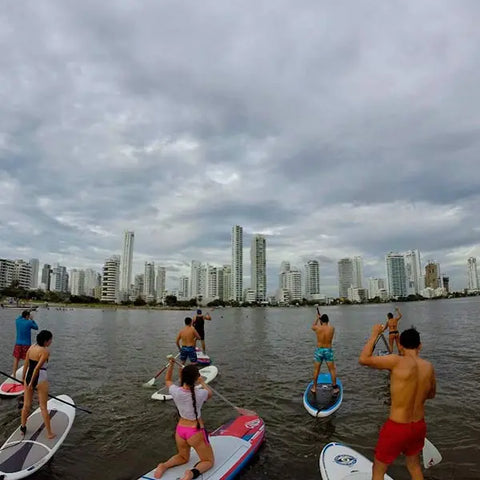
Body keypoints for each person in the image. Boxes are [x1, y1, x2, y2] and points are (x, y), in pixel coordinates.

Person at [359, 325, 436, 480]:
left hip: (397, 427)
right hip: (418, 426)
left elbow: (363, 359)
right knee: (414, 466)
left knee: (378, 469)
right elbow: (431, 394)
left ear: (400, 345)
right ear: (420, 345)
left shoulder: (396, 361)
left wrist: (374, 334)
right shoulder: (428, 367)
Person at [154, 357, 214, 479]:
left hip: (180, 430)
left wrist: (171, 365)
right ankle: (191, 473)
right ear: (196, 378)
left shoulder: (175, 391)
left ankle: (163, 466)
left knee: (183, 457)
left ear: (182, 378)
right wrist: (202, 382)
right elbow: (210, 394)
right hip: (195, 432)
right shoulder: (201, 393)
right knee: (208, 461)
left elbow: (168, 379)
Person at [21, 330, 55, 439]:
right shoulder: (45, 351)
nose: (51, 342)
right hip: (40, 378)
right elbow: (37, 368)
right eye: (50, 340)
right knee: (43, 407)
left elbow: (26, 364)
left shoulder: (31, 348)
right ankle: (49, 433)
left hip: (28, 376)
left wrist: (24, 379)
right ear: (46, 341)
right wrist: (32, 383)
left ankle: (23, 427)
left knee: (26, 405)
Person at [311, 312, 339, 394]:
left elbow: (313, 326)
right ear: (328, 320)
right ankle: (335, 388)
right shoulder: (332, 328)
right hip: (328, 350)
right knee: (332, 370)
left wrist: (317, 318)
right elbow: (327, 326)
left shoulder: (317, 328)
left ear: (321, 320)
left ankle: (314, 388)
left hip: (319, 350)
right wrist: (322, 321)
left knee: (316, 370)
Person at [12, 310, 39, 375]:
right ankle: (25, 376)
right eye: (28, 316)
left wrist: (26, 313)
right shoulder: (29, 322)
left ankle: (14, 375)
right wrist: (32, 320)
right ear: (27, 316)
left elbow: (20, 316)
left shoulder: (17, 321)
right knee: (27, 360)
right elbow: (36, 327)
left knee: (16, 359)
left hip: (18, 343)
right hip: (26, 344)